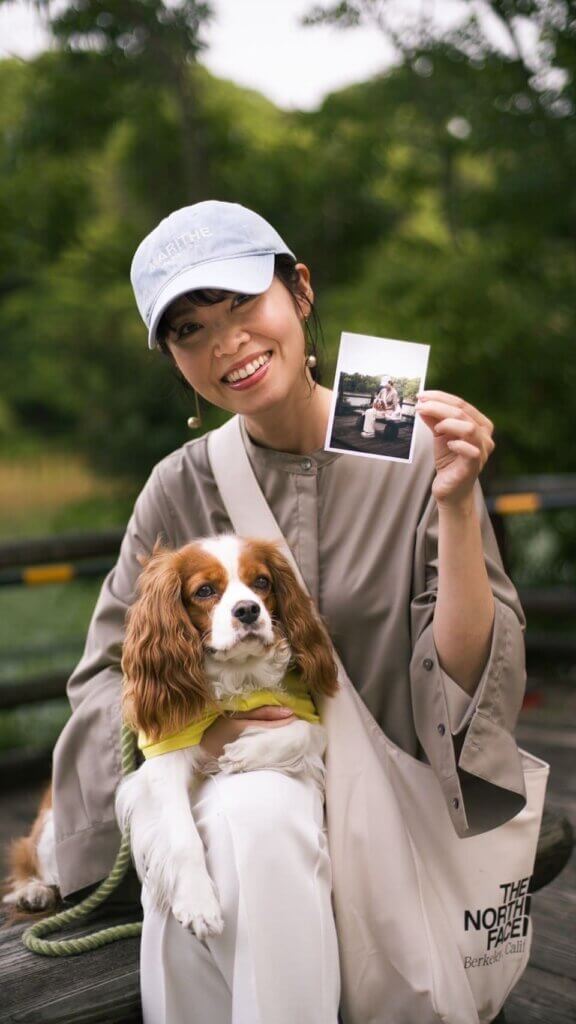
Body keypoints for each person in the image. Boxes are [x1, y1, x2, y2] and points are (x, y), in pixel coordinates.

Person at [51, 200, 528, 1024]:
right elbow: (104, 679)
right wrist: (209, 733)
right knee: (257, 810)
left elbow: (466, 679)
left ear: (299, 291)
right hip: (233, 812)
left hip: (388, 811)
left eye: (243, 304)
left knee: (263, 814)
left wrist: (455, 507)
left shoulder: (397, 426)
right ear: (172, 357)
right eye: (190, 330)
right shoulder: (180, 484)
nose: (226, 341)